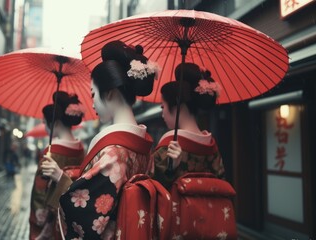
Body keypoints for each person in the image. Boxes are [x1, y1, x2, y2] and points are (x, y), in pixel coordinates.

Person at [40, 40, 157, 239]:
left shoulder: (114, 150)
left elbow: (85, 212)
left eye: (93, 94)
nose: (92, 102)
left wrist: (61, 178)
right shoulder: (143, 144)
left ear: (110, 93)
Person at [152, 62, 225, 190]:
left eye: (163, 106)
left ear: (177, 106)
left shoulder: (169, 148)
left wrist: (171, 169)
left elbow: (155, 190)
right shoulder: (213, 150)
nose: (162, 114)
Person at [29, 91, 85, 240]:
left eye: (44, 122)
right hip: (73, 216)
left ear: (56, 123)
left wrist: (38, 222)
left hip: (52, 222)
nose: (44, 126)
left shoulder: (50, 152)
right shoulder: (81, 149)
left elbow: (39, 193)